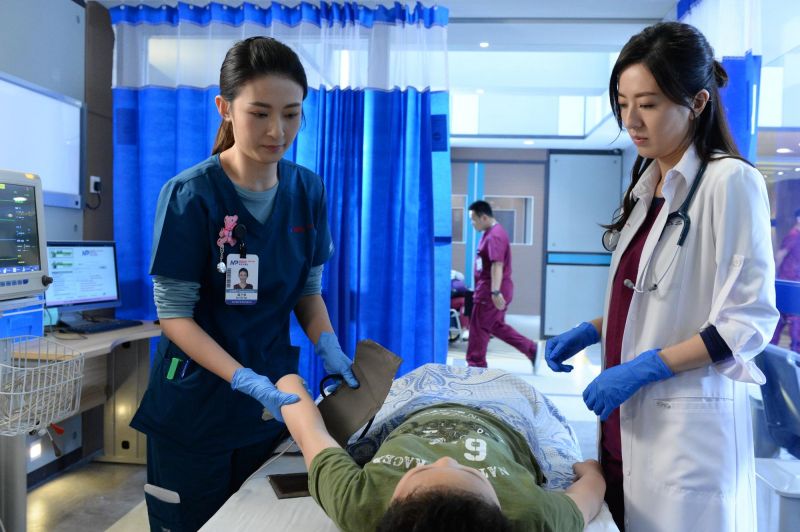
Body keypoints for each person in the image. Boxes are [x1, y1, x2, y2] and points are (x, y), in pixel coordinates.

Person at [545, 22, 778, 532]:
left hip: (683, 435)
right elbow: (652, 300)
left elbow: (747, 322)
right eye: (623, 103)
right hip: (624, 426)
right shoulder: (647, 186)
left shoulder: (730, 182)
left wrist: (647, 367)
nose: (631, 121)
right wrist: (593, 329)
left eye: (647, 104)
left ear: (697, 102)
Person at [130, 37, 359, 531]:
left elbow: (307, 291)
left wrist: (328, 345)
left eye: (292, 114)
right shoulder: (190, 195)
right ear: (225, 108)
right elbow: (174, 316)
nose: (278, 131)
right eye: (260, 113)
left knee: (255, 520)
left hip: (268, 407)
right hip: (194, 408)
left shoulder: (307, 190)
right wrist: (242, 379)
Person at [274, 365, 607, 532]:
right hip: (503, 412)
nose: (446, 458)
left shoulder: (359, 505)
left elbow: (310, 432)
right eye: (470, 473)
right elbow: (587, 498)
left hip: (414, 407)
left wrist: (287, 381)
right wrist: (590, 471)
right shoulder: (529, 515)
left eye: (423, 469)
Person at [466, 200, 537, 369]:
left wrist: (495, 292)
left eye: (473, 219)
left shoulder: (494, 236)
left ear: (484, 217)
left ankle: (476, 366)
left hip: (490, 290)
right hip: (492, 288)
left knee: (479, 328)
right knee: (495, 325)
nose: (472, 223)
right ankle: (531, 349)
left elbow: (497, 264)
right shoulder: (490, 232)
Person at [770, 207, 800, 352]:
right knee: (783, 322)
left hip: (794, 285)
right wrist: (775, 277)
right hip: (787, 284)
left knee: (791, 324)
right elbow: (779, 256)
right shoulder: (793, 235)